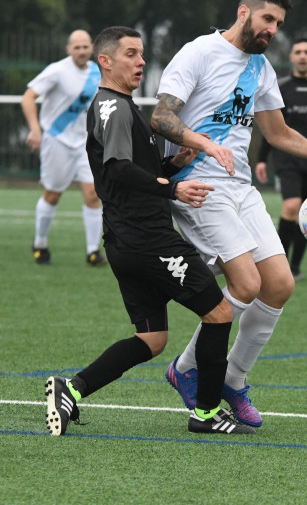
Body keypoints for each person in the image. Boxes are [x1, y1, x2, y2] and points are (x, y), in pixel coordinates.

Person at [150, 0, 307, 428]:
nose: (273, 30)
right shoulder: (198, 53)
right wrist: (202, 144)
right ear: (244, 13)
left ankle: (234, 380)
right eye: (268, 20)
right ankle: (186, 370)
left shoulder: (261, 68)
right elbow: (162, 118)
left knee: (279, 284)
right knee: (247, 282)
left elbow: (279, 134)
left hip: (239, 187)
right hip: (198, 183)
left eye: (278, 25)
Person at [44, 26, 255, 437]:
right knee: (220, 313)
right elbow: (119, 171)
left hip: (125, 240)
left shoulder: (120, 106)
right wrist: (174, 187)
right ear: (105, 61)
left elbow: (132, 171)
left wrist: (173, 166)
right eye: (130, 54)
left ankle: (72, 389)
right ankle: (207, 415)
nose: (141, 62)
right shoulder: (114, 108)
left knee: (153, 338)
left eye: (142, 55)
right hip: (148, 238)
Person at [255, 38, 307, 280]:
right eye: (298, 52)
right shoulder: (280, 87)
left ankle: (295, 267)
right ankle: (279, 266)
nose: (302, 56)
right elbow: (271, 128)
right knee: (291, 206)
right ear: (291, 57)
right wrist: (262, 159)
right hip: (287, 158)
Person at [22, 29, 106, 266]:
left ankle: (93, 252)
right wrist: (35, 129)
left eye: (85, 47)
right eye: (76, 47)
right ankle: (40, 243)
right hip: (57, 139)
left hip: (85, 143)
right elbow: (28, 97)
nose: (82, 51)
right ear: (68, 49)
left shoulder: (96, 73)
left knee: (92, 194)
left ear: (92, 49)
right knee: (53, 194)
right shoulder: (57, 71)